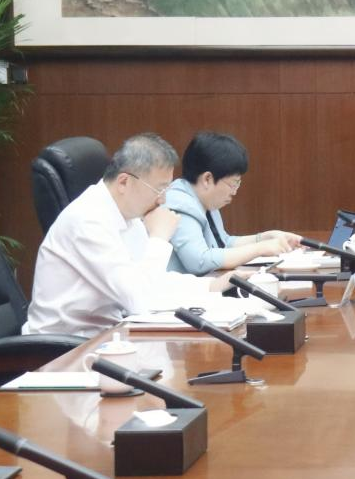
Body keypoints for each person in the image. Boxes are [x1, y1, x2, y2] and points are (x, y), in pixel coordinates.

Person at [23, 133, 232, 337]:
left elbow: (151, 282)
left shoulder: (129, 216)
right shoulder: (87, 221)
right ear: (124, 182)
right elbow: (138, 300)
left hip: (105, 336)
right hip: (63, 348)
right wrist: (159, 237)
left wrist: (213, 285)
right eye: (159, 190)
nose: (162, 200)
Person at [165, 132, 302, 275]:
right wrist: (260, 248)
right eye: (233, 183)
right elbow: (200, 261)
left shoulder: (204, 200)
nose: (234, 192)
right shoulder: (180, 205)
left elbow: (223, 243)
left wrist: (266, 237)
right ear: (207, 179)